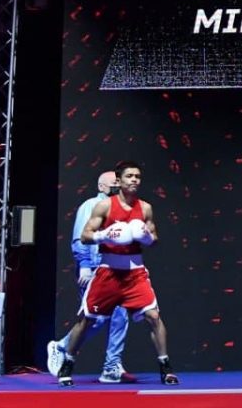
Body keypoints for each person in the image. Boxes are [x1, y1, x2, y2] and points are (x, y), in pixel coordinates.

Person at [55, 160, 179, 387]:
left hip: (135, 273)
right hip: (108, 272)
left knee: (153, 316)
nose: (134, 180)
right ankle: (67, 363)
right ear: (119, 181)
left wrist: (146, 237)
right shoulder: (104, 206)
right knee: (87, 319)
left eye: (137, 176)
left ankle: (165, 367)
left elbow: (155, 239)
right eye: (130, 176)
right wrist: (105, 235)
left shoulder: (145, 208)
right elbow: (84, 235)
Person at [46, 170, 136, 383]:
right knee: (96, 318)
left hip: (118, 269)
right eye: (114, 182)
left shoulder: (122, 208)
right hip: (95, 268)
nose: (118, 185)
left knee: (121, 316)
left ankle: (112, 365)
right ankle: (61, 346)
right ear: (102, 187)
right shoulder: (91, 205)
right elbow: (80, 237)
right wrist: (85, 266)